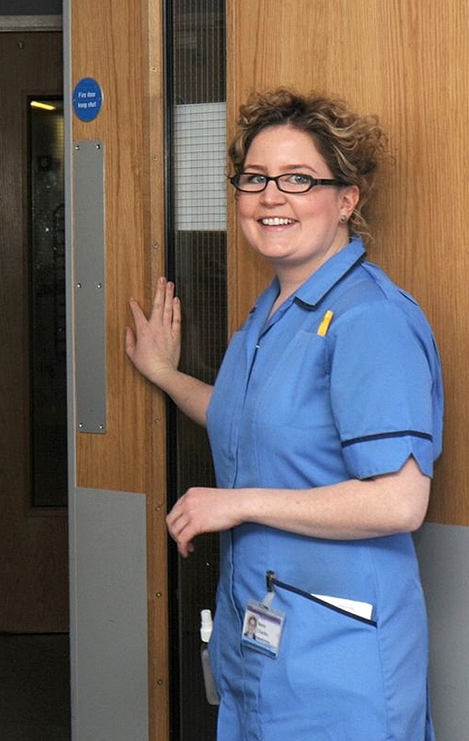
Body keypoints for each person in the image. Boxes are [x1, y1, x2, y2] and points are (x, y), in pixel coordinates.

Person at [125, 88, 441, 738]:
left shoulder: (370, 318)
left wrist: (236, 504)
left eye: (299, 179)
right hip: (264, 653)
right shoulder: (271, 313)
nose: (272, 197)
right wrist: (165, 374)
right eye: (255, 178)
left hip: (338, 667)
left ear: (346, 198)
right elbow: (246, 420)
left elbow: (399, 502)